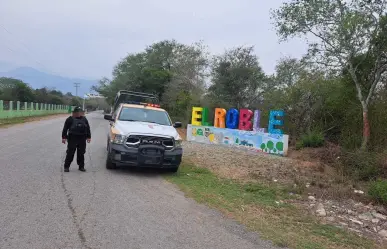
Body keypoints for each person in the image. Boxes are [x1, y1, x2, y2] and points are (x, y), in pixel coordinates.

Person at [61, 106, 91, 172]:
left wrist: (89, 137)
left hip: (82, 138)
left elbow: (88, 128)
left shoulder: (84, 119)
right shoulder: (70, 119)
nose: (79, 114)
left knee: (81, 153)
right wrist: (64, 138)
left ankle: (81, 167)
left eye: (80, 112)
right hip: (72, 138)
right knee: (70, 153)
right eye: (77, 112)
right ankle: (66, 167)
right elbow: (65, 129)